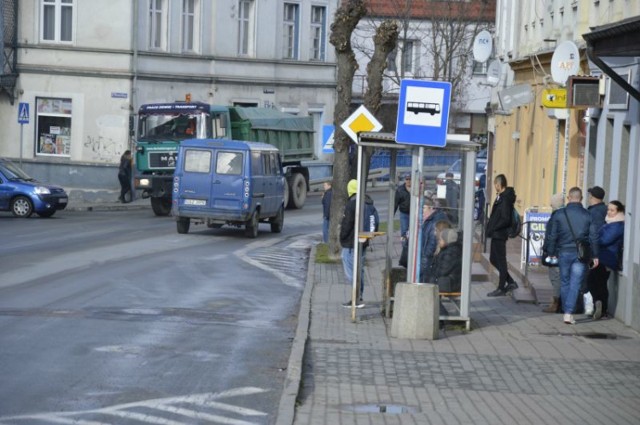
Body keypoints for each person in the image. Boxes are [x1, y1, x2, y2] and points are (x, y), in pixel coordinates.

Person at [545, 187, 599, 325]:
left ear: (569, 198)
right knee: (575, 283)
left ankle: (566, 310)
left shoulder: (559, 214)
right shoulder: (587, 215)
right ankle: (568, 313)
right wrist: (595, 255)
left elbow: (553, 235)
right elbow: (593, 237)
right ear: (581, 198)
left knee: (565, 282)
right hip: (580, 254)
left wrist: (550, 252)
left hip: (563, 252)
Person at [340, 179, 379, 309]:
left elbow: (347, 224)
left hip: (351, 243)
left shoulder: (352, 203)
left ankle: (355, 297)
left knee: (351, 270)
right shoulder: (369, 203)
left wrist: (342, 237)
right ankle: (359, 296)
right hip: (364, 241)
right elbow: (375, 222)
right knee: (359, 269)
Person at [588, 200, 624, 320]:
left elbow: (604, 240)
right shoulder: (609, 223)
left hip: (608, 258)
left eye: (612, 210)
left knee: (599, 282)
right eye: (608, 209)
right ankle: (598, 304)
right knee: (594, 281)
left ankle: (601, 307)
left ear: (619, 212)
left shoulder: (618, 225)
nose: (609, 212)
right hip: (601, 257)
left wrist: (593, 239)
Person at [485, 174, 518, 296]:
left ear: (499, 184)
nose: (495, 186)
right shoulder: (501, 197)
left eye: (495, 184)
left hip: (500, 234)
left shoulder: (505, 199)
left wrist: (494, 227)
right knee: (493, 259)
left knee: (501, 261)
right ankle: (510, 281)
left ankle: (501, 287)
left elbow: (505, 219)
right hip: (496, 234)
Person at [582, 186, 607, 314]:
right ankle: (600, 306)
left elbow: (594, 234)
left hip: (595, 251)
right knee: (599, 280)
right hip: (602, 251)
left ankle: (597, 303)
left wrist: (594, 254)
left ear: (593, 197)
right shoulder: (603, 209)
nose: (589, 198)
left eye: (590, 196)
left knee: (592, 280)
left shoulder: (595, 212)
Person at [541, 193, 564, 313]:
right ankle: (559, 302)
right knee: (559, 277)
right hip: (563, 250)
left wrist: (547, 250)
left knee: (555, 277)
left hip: (555, 252)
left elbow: (551, 236)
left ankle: (556, 303)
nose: (550, 204)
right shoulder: (565, 214)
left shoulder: (555, 217)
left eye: (552, 202)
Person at [419, 198, 449, 283]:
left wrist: (423, 261)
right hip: (428, 260)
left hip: (429, 261)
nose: (421, 211)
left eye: (423, 208)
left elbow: (432, 243)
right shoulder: (429, 219)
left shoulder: (434, 220)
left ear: (431, 208)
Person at [394, 173, 411, 238]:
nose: (408, 181)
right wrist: (392, 214)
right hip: (404, 214)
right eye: (407, 179)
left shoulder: (416, 189)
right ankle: (404, 247)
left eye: (410, 179)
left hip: (414, 214)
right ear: (404, 180)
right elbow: (395, 203)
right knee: (404, 232)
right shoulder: (400, 190)